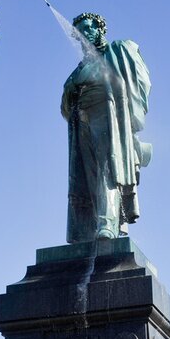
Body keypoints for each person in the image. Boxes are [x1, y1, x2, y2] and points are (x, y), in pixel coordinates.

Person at [61, 13, 152, 243]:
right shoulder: (79, 68)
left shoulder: (120, 50)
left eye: (87, 29)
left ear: (100, 30)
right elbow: (64, 105)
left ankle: (107, 223)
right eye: (79, 32)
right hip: (81, 119)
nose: (83, 35)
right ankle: (90, 226)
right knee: (87, 176)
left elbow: (142, 82)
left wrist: (130, 114)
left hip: (108, 112)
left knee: (108, 168)